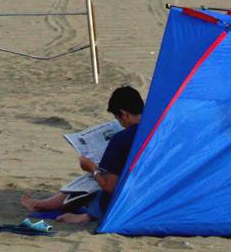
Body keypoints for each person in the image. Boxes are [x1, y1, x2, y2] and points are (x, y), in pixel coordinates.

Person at [21, 86, 144, 224]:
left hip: (131, 197)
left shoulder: (121, 139)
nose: (120, 123)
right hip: (155, 190)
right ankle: (42, 204)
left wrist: (92, 169)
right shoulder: (159, 128)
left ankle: (53, 208)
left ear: (124, 114)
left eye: (117, 118)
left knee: (94, 183)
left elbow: (109, 187)